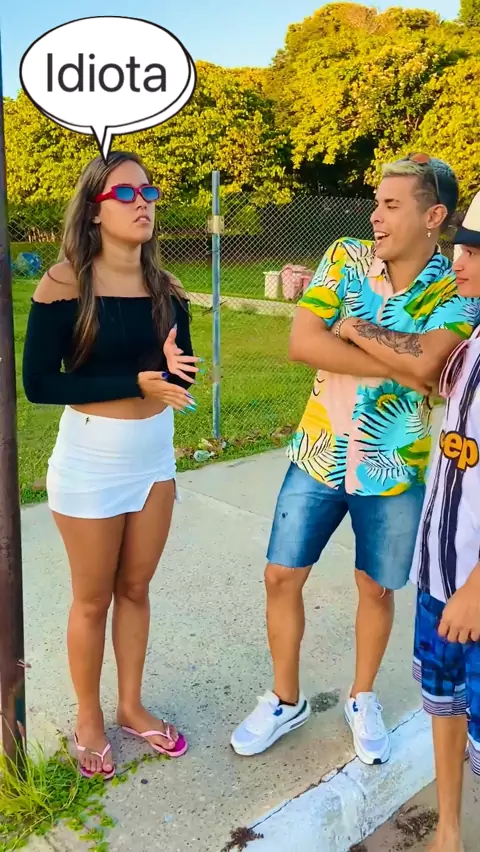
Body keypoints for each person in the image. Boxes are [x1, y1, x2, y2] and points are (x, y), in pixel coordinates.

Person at [231, 154, 480, 764]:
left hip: (393, 464)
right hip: (318, 451)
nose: (375, 216)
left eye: (391, 205)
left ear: (434, 216)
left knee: (376, 586)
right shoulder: (344, 256)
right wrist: (408, 365)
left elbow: (433, 362)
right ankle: (284, 699)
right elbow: (302, 342)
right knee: (281, 575)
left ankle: (361, 696)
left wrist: (351, 327)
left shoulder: (457, 284)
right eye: (376, 203)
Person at [22, 150, 200, 779]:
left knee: (136, 590)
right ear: (95, 210)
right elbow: (40, 384)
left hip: (153, 459)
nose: (142, 202)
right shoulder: (65, 281)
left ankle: (130, 706)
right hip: (92, 461)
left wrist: (174, 373)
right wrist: (137, 383)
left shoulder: (166, 288)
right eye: (126, 193)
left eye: (148, 192)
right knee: (93, 599)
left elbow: (176, 375)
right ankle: (88, 716)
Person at [410, 191, 480, 852]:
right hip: (440, 572)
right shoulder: (473, 340)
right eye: (461, 245)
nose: (458, 260)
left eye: (475, 251)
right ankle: (449, 832)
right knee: (445, 699)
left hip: (474, 590)